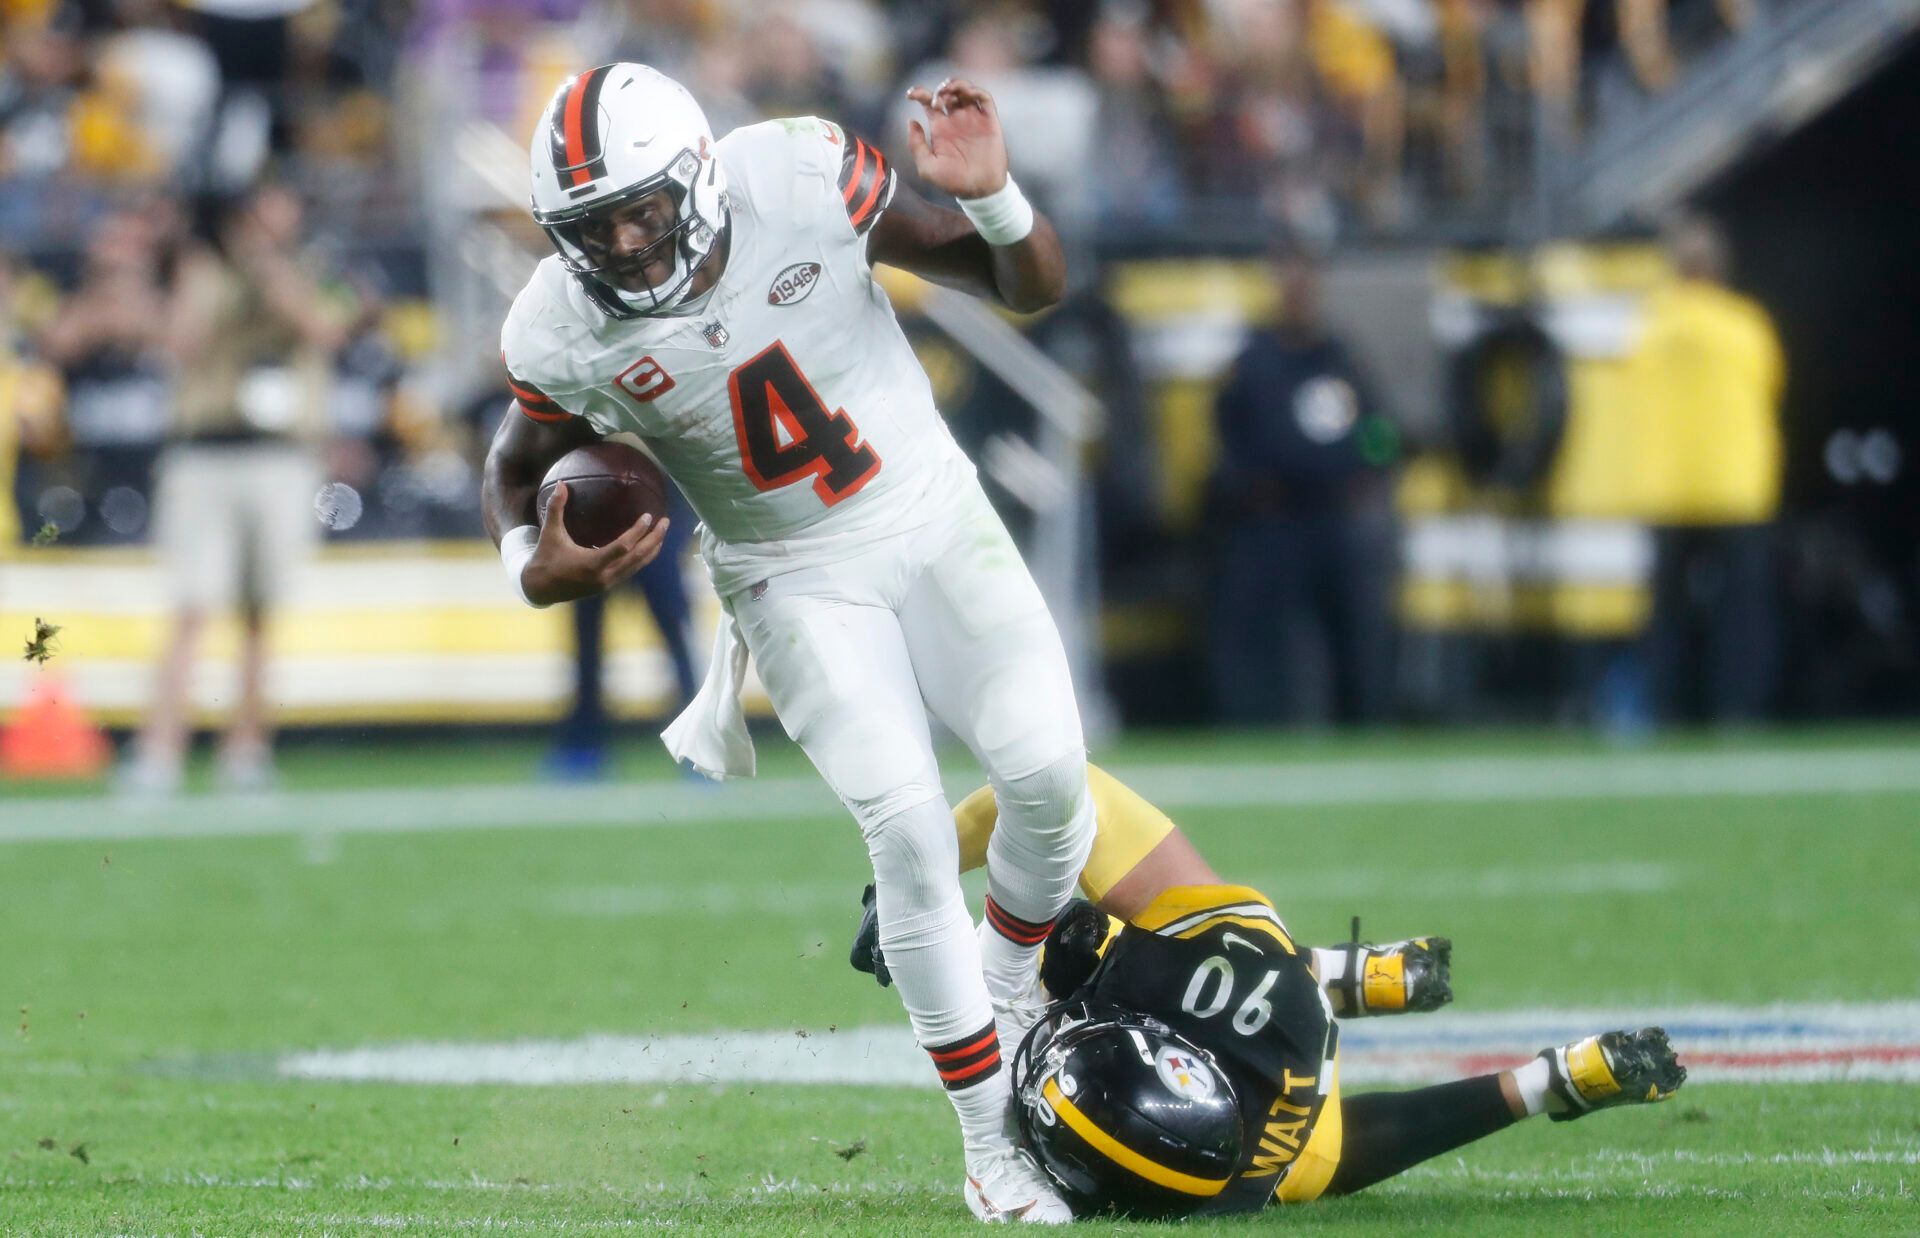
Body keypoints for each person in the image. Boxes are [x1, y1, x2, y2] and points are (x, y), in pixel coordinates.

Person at [481, 65, 1096, 1222]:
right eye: (590, 225)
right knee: (909, 829)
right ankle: (986, 1140)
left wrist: (996, 195)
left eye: (641, 209)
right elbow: (514, 464)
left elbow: (1031, 287)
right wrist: (529, 562)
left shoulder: (800, 176)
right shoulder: (559, 327)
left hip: (931, 510)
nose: (620, 239)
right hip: (791, 572)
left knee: (1051, 781)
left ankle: (1008, 980)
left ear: (700, 177)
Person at [853, 764, 1686, 1218]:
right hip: (1258, 1020)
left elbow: (1044, 794)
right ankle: (1372, 984)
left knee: (1063, 942)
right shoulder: (1232, 1102)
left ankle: (1541, 1076)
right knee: (1074, 922)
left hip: (1254, 1030)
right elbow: (1055, 788)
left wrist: (915, 896)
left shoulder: (1228, 1158)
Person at [122, 184, 360, 795]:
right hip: (204, 450)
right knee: (190, 608)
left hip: (280, 456)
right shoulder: (203, 268)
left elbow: (324, 327)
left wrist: (267, 270)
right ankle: (161, 749)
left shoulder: (313, 269)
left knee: (261, 612)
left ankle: (246, 748)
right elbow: (178, 343)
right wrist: (212, 274)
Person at [1207, 250, 1397, 726]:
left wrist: (1371, 470)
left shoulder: (1340, 357)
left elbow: (1377, 430)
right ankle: (1260, 722)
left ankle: (1365, 721)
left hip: (1336, 516)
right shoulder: (1254, 362)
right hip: (1274, 519)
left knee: (1357, 629)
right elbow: (1230, 431)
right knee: (1262, 632)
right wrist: (1247, 484)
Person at [1631, 211, 1786, 726]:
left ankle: (1664, 709)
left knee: (1666, 616)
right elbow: (1772, 386)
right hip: (1735, 486)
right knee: (1741, 613)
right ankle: (1738, 710)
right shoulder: (1745, 324)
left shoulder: (1651, 325)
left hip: (1667, 487)